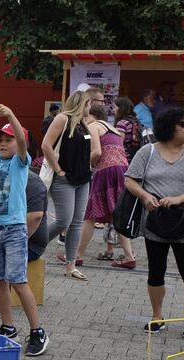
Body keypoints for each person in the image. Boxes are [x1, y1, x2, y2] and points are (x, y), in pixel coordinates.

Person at [124, 107, 184, 337]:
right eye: (183, 124)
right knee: (155, 271)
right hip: (155, 221)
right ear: (169, 127)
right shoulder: (147, 152)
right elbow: (130, 180)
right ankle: (157, 316)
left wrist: (180, 198)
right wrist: (145, 196)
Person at [0, 104, 49, 356]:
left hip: (15, 229)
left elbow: (21, 140)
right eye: (0, 140)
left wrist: (11, 115)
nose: (2, 144)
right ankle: (8, 327)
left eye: (7, 139)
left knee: (18, 282)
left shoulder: (21, 162)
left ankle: (37, 332)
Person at [41, 90, 94, 281]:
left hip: (83, 179)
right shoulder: (63, 119)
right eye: (89, 103)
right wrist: (59, 170)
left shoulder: (83, 124)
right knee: (64, 220)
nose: (91, 107)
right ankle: (33, 243)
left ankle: (70, 265)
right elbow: (46, 145)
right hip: (64, 178)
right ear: (82, 103)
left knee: (77, 222)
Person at [75, 106, 135, 268]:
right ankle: (129, 257)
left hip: (106, 171)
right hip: (123, 170)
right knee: (118, 214)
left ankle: (76, 256)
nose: (84, 123)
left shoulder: (93, 126)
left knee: (90, 214)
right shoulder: (113, 128)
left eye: (85, 118)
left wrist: (84, 164)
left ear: (92, 117)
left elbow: (96, 152)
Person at [26, 172, 49, 262]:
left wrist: (17, 242)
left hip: (30, 245)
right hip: (2, 238)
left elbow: (35, 216)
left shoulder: (32, 181)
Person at [115, 96, 145, 163]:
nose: (113, 109)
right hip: (136, 156)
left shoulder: (122, 123)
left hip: (124, 158)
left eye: (115, 107)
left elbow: (118, 143)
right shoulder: (135, 121)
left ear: (121, 108)